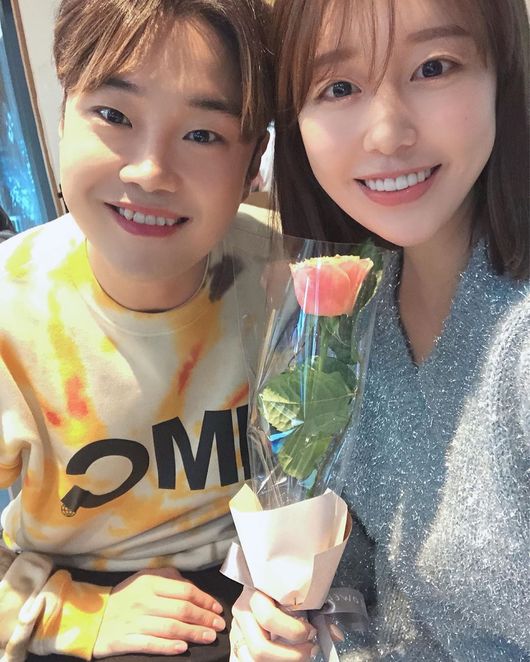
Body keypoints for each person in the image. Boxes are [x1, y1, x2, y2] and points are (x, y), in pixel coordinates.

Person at [229, 0, 530, 659]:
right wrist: (276, 604)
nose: (388, 133)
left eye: (434, 67)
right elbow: (365, 568)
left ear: (504, 73)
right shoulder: (352, 303)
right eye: (339, 87)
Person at [0, 0, 272, 660]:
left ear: (253, 163)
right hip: (69, 594)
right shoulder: (14, 308)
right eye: (115, 116)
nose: (150, 170)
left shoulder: (291, 280)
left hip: (263, 593)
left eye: (202, 134)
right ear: (62, 113)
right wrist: (71, 614)